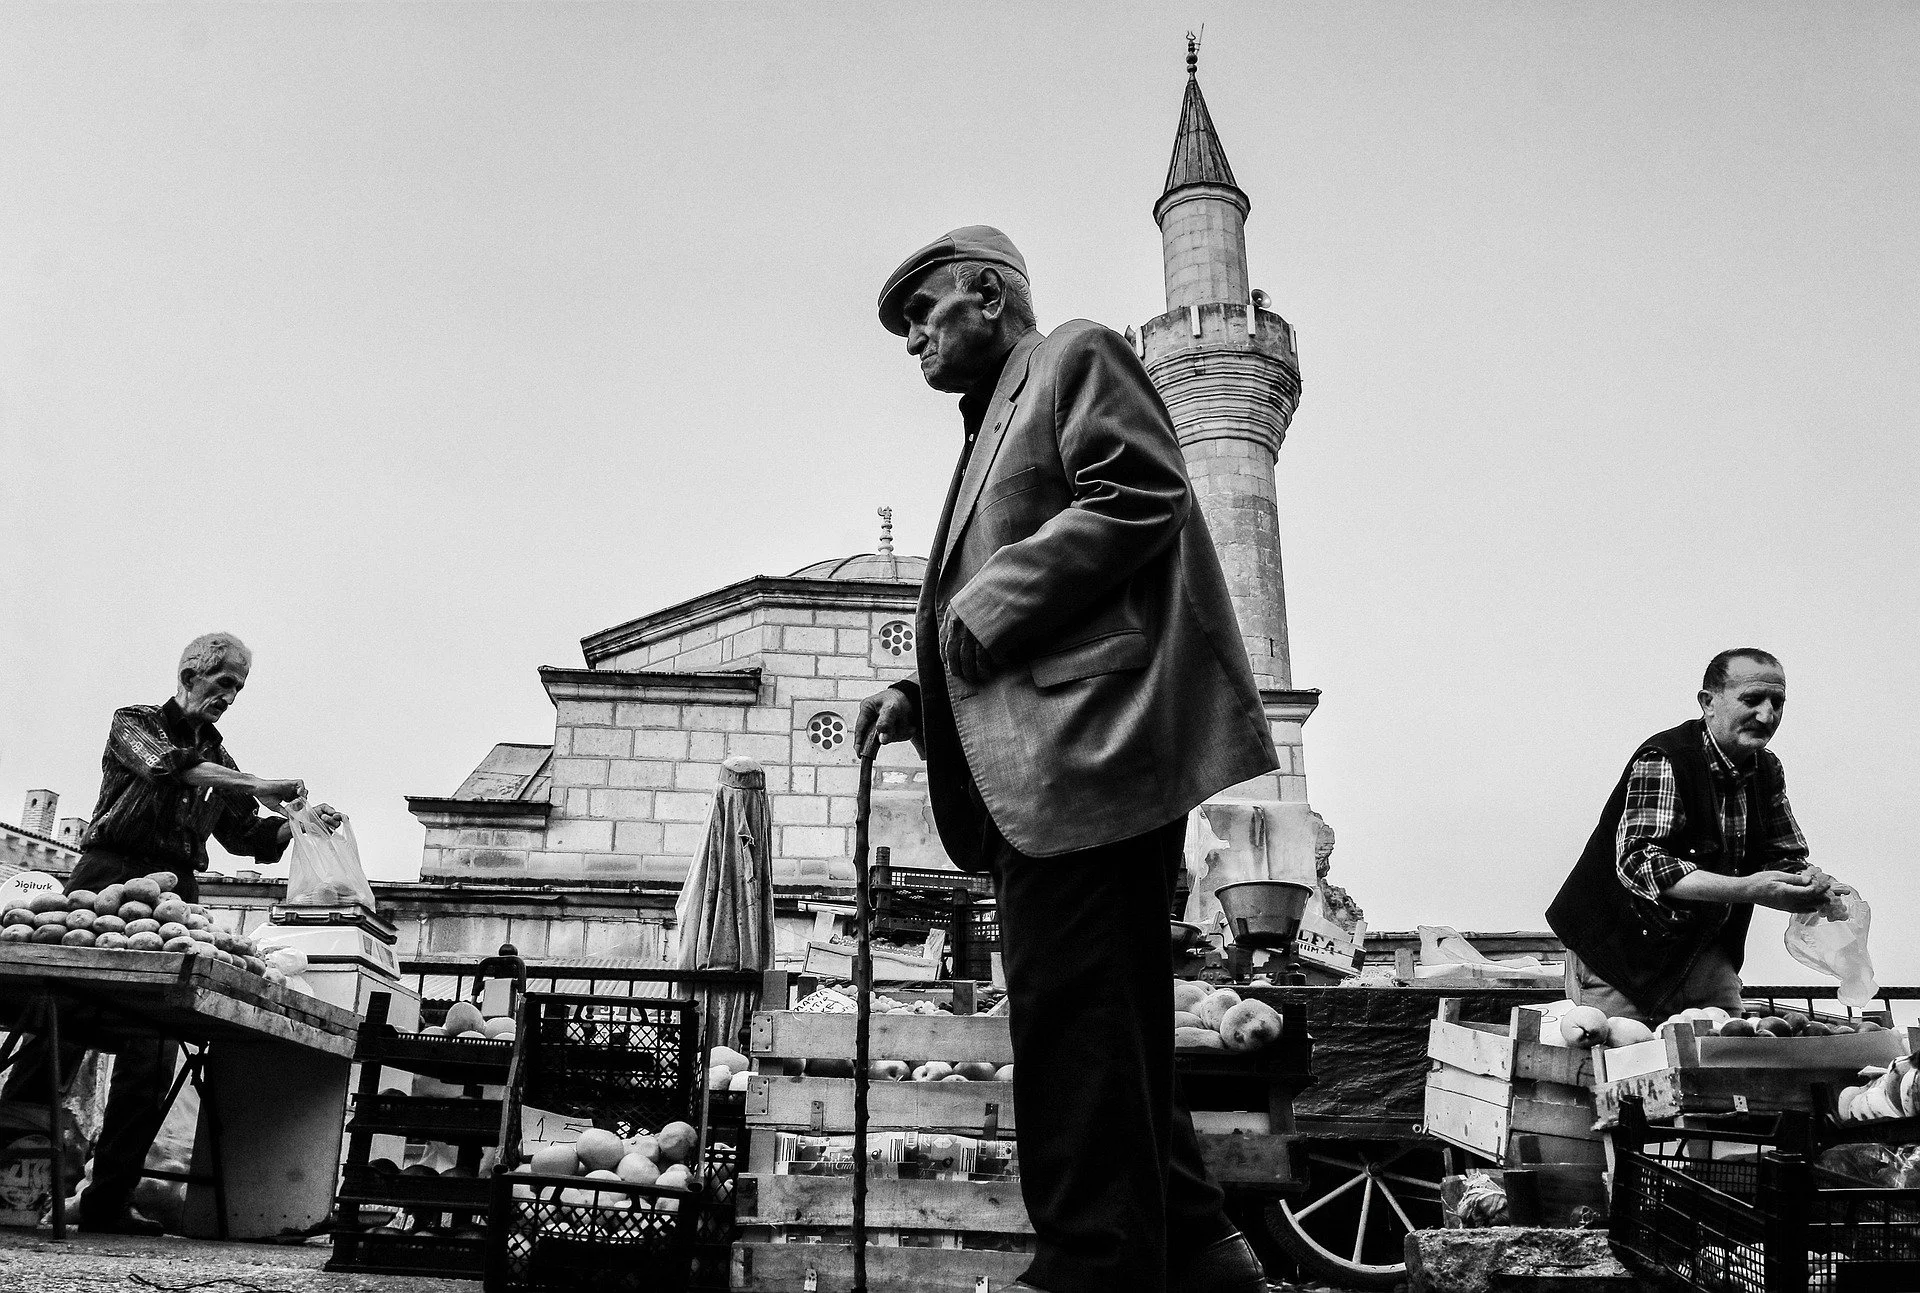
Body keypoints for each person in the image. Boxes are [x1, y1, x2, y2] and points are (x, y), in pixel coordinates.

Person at [854, 227, 1278, 1293]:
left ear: (989, 297)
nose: (913, 338)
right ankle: (1200, 1246)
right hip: (1038, 769)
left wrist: (987, 605)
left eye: (924, 313)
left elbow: (1139, 491)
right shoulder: (993, 416)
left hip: (1081, 760)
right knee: (1115, 1022)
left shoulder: (1075, 354)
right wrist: (920, 696)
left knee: (1070, 1028)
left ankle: (1092, 1266)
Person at [2, 632, 338, 1234]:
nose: (230, 696)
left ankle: (107, 1200)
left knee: (150, 1053)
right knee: (56, 1031)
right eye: (223, 682)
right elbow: (169, 769)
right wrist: (260, 785)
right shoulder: (135, 722)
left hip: (175, 895)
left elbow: (248, 838)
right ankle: (7, 1171)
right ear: (191, 673)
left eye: (238, 687)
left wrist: (301, 827)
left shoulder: (223, 762)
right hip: (107, 881)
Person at [1546, 648, 1830, 1023]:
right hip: (1620, 957)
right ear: (1708, 702)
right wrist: (1748, 888)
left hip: (1704, 952)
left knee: (1730, 1057)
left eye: (1777, 702)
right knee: (1622, 1063)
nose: (1767, 715)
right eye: (1752, 700)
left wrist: (1810, 883)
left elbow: (1782, 855)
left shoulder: (1766, 769)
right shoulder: (1667, 758)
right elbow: (1640, 862)